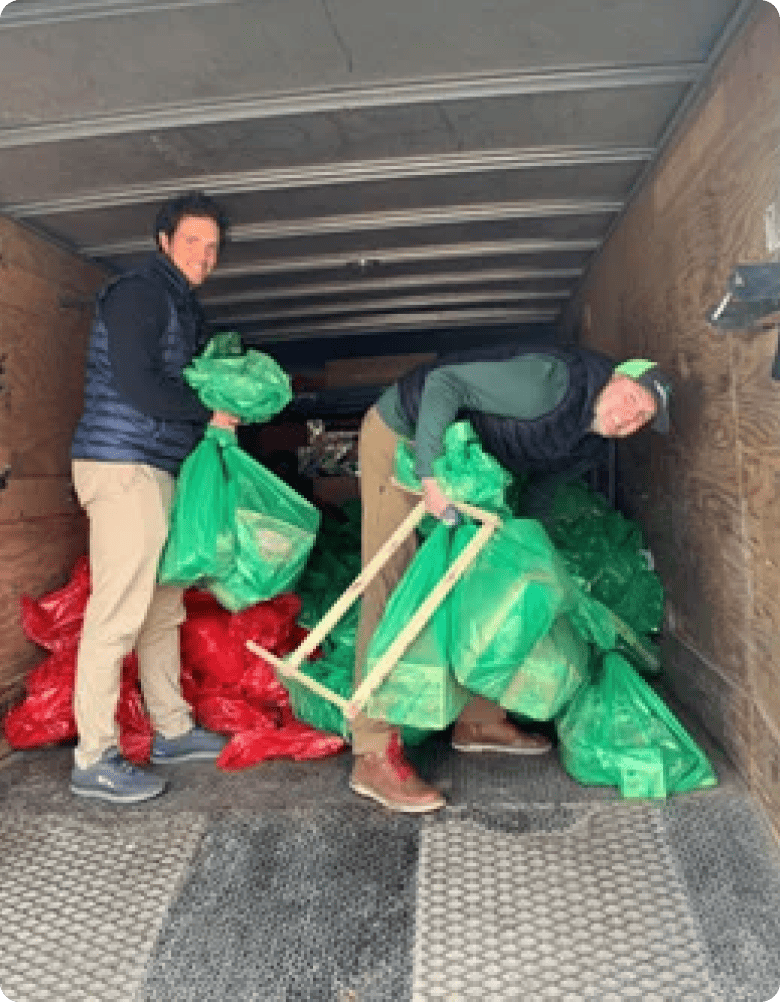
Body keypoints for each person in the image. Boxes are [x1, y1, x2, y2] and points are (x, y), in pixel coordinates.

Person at [349, 344, 673, 812]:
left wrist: (526, 553)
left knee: (487, 588)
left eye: (642, 419)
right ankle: (372, 751)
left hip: (466, 465)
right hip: (404, 437)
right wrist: (430, 477)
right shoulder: (551, 384)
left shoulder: (591, 441)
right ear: (616, 377)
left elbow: (539, 491)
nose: (629, 418)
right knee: (390, 583)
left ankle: (478, 720)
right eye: (632, 400)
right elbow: (445, 383)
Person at [69, 192, 239, 804]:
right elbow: (141, 384)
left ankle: (172, 730)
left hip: (154, 466)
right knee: (117, 611)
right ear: (164, 242)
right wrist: (210, 412)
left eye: (213, 246)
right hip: (120, 467)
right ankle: (94, 756)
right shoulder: (139, 294)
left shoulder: (180, 304)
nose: (204, 254)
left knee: (162, 604)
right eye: (192, 240)